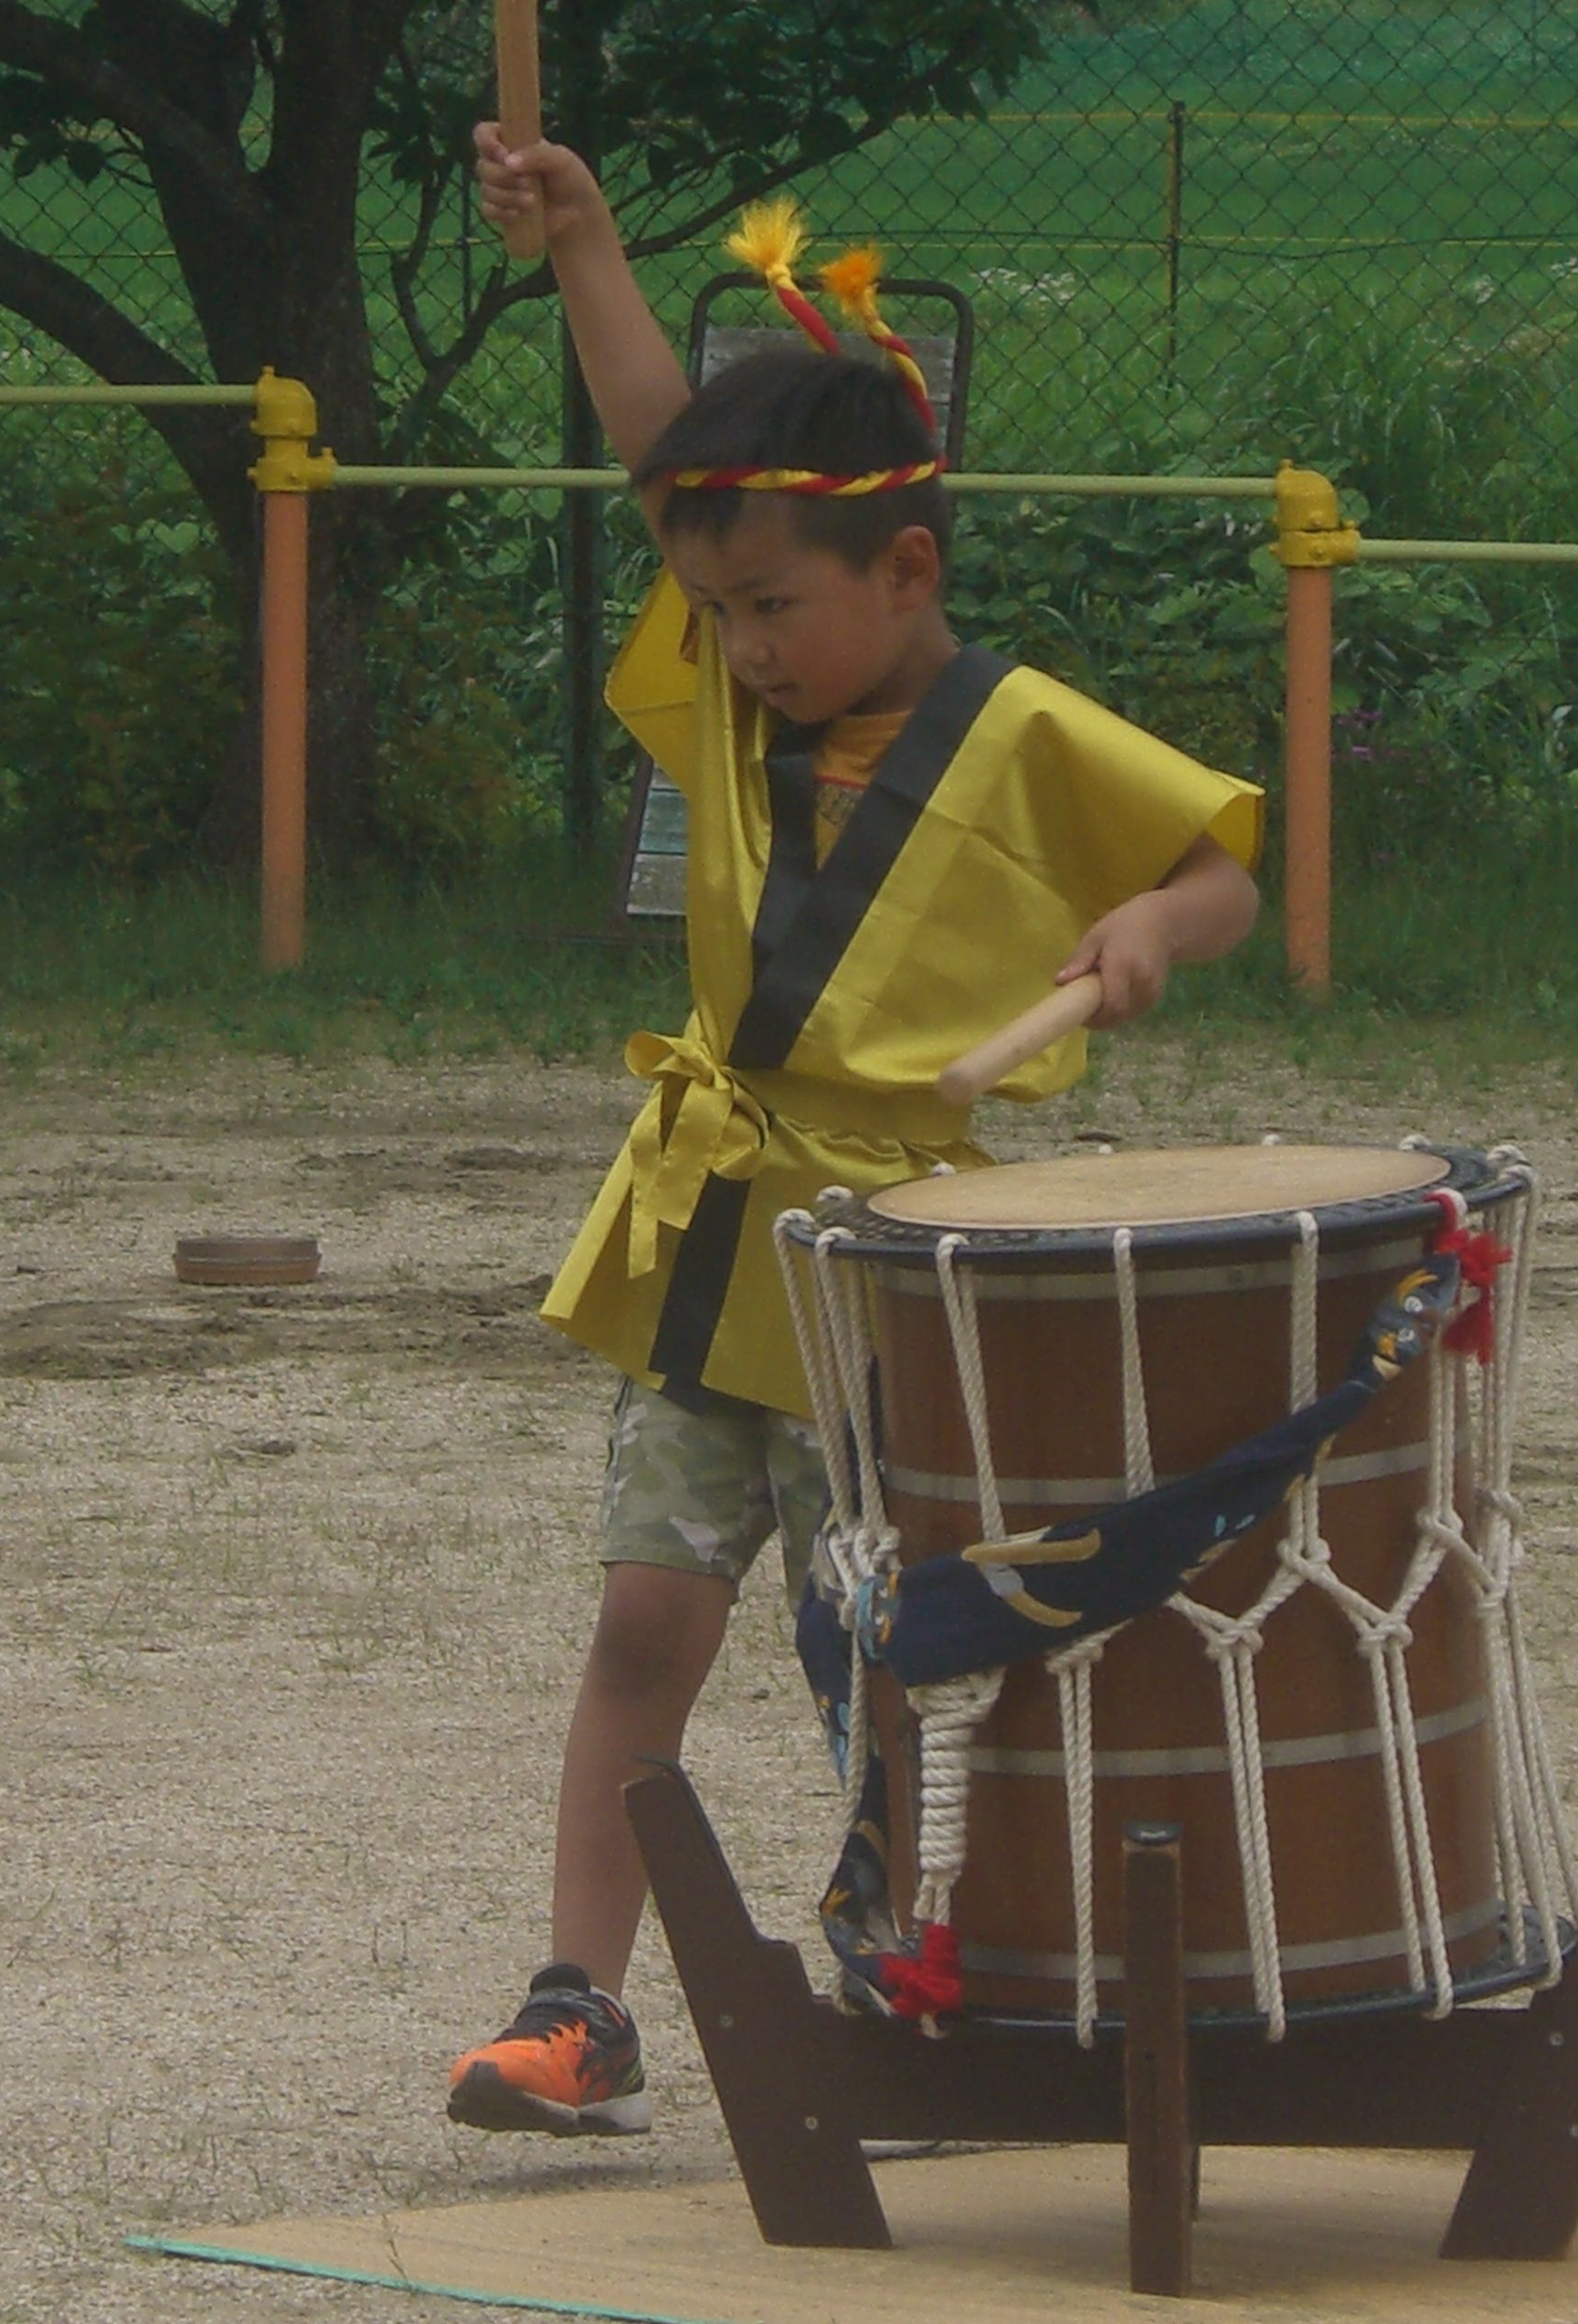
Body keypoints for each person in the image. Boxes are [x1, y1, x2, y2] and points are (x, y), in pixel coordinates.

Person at [444, 132, 1266, 2139]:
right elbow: (665, 450)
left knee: (887, 1654)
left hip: (915, 1270)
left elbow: (1222, 865)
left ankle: (911, 1990)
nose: (739, 645)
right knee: (648, 1614)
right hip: (720, 1229)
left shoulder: (1024, 731)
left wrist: (1150, 926)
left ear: (909, 568)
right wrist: (586, 244)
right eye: (716, 608)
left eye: (773, 607)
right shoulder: (741, 698)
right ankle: (579, 2005)